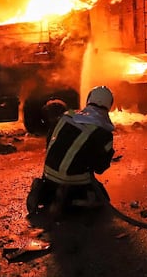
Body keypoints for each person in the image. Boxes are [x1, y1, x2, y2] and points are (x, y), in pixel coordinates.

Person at [26, 86, 116, 215]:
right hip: (75, 181)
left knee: (55, 182)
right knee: (102, 199)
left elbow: (50, 142)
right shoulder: (104, 132)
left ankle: (42, 191)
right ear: (109, 105)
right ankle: (65, 201)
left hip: (48, 174)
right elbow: (100, 168)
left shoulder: (67, 116)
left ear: (89, 99)